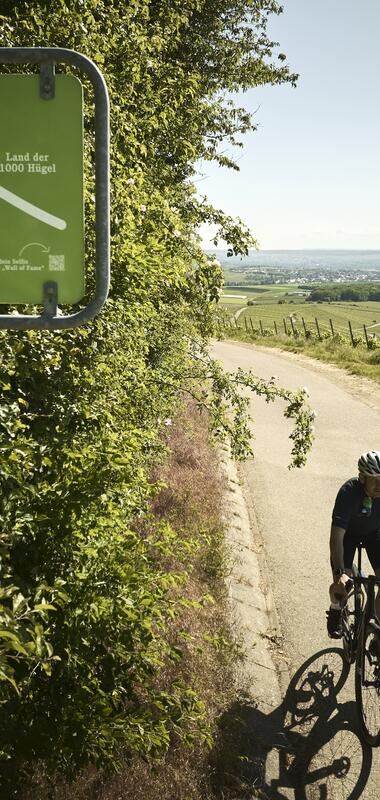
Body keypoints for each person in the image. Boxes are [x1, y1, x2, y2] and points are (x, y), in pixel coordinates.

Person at [327, 450, 380, 638]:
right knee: (343, 584)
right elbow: (336, 538)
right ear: (362, 478)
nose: (379, 485)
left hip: (374, 535)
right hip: (348, 535)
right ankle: (335, 610)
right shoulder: (348, 493)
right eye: (375, 480)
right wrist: (339, 573)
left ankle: (376, 632)